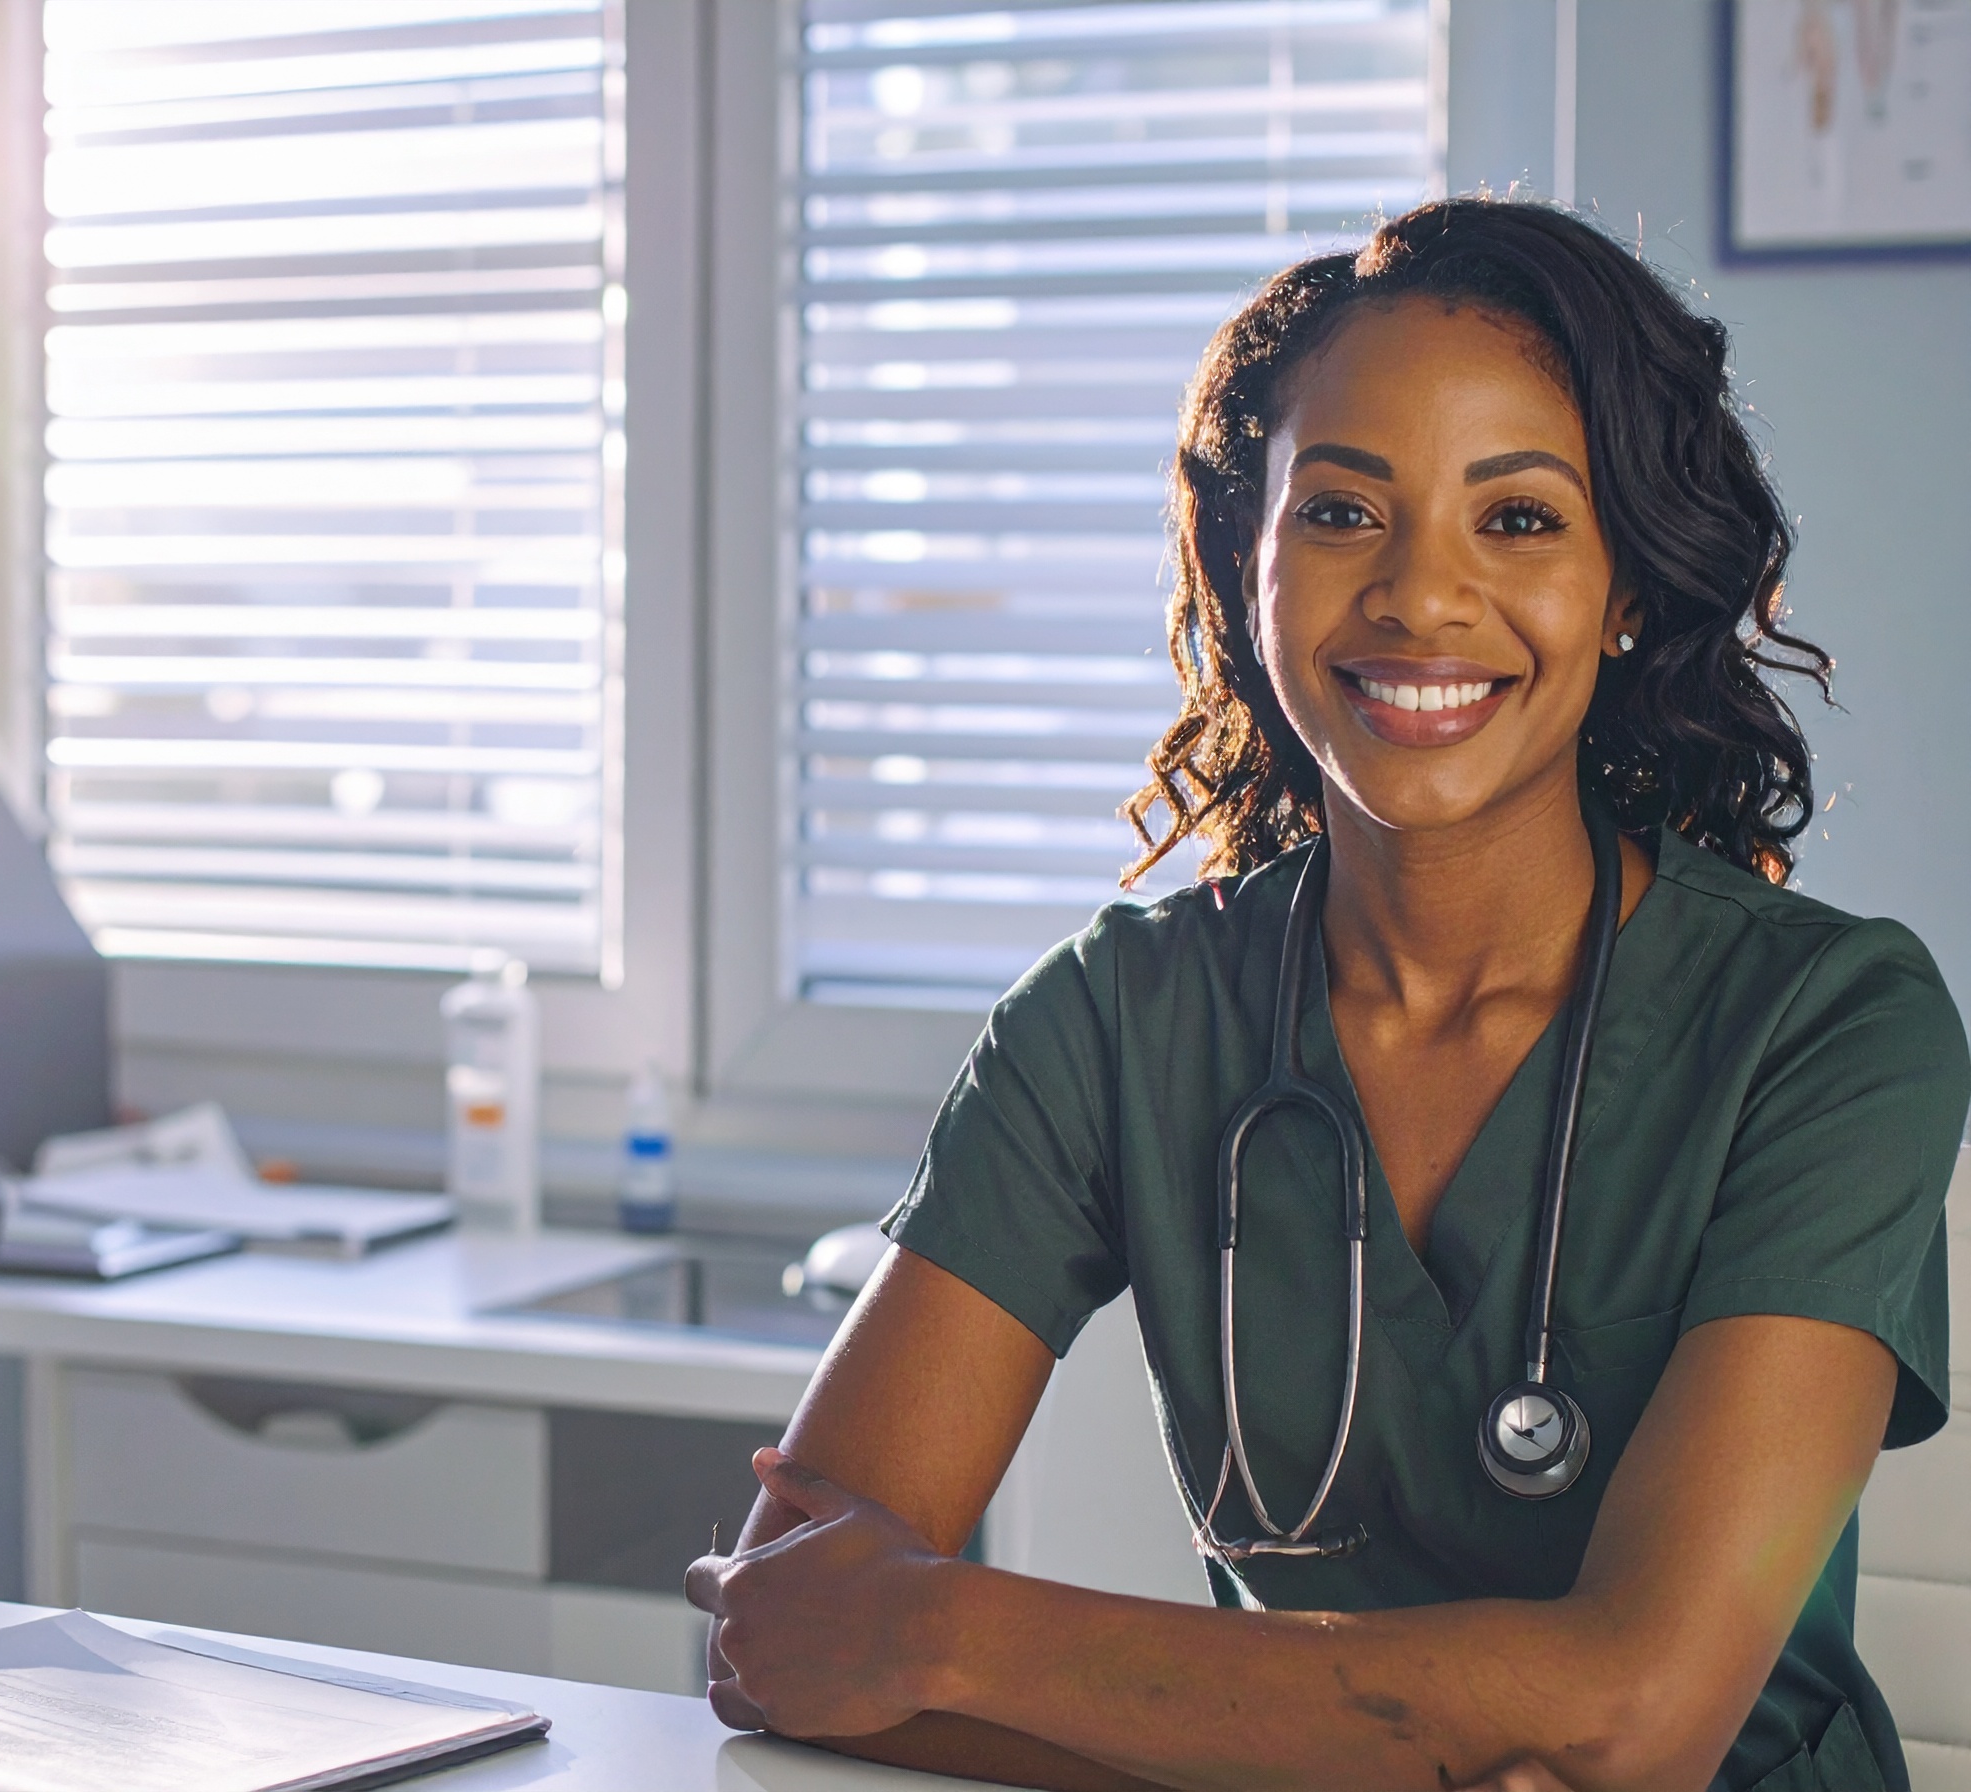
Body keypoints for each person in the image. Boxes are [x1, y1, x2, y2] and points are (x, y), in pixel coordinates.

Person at [685, 197, 1967, 1792]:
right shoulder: (1113, 1025)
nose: (1423, 600)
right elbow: (784, 1634)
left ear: (1629, 584)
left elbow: (1638, 1716)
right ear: (1250, 566)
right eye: (1346, 513)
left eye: (1519, 521)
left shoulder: (1830, 1025)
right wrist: (1440, 1746)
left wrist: (942, 1632)